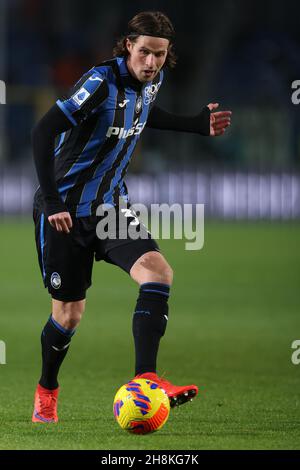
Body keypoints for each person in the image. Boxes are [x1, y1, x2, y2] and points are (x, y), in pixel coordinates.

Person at [31, 11, 231, 423]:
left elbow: (142, 114)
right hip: (64, 212)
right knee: (68, 315)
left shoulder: (153, 80)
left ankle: (147, 380)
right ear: (128, 46)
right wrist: (52, 202)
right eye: (145, 52)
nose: (152, 63)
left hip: (110, 208)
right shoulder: (99, 82)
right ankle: (47, 388)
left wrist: (195, 125)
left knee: (157, 273)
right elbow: (42, 131)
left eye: (160, 54)